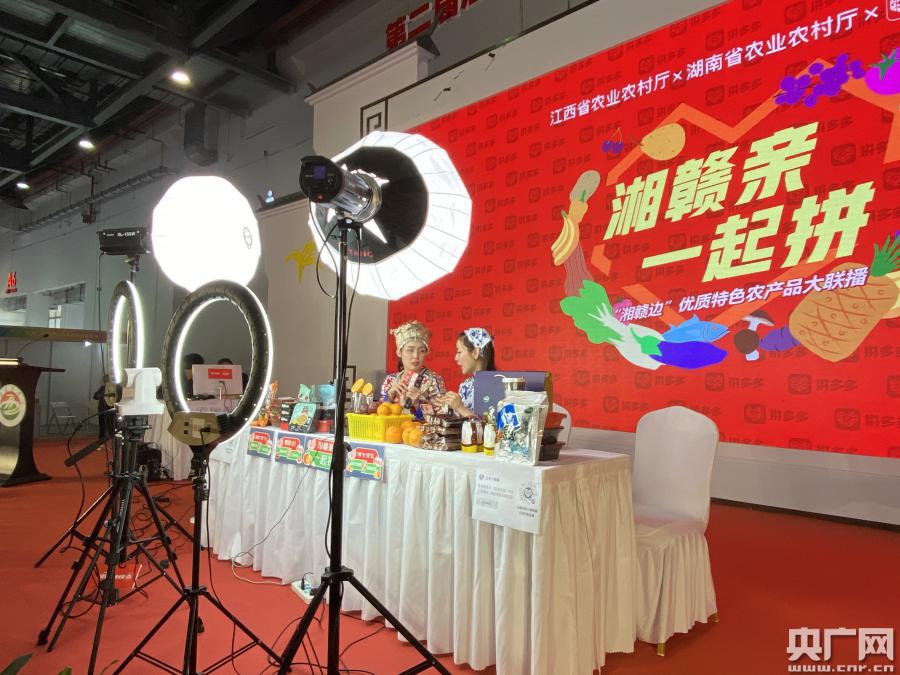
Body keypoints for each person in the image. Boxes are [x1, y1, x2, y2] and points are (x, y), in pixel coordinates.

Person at [381, 320, 446, 411]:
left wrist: (417, 404)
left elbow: (442, 413)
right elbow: (380, 411)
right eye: (410, 350)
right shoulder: (391, 380)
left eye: (421, 351)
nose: (416, 356)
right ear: (399, 352)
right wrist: (390, 395)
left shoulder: (434, 380)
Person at [437, 327, 496, 418]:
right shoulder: (465, 386)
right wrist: (448, 406)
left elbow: (492, 425)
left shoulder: (497, 385)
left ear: (475, 353)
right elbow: (461, 421)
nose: (456, 358)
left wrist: (460, 408)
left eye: (459, 352)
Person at [93, 374, 122, 439]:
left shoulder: (117, 387)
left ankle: (113, 437)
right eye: (104, 380)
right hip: (103, 408)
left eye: (107, 380)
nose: (105, 381)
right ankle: (102, 438)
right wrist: (101, 395)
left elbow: (119, 396)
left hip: (112, 408)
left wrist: (105, 395)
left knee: (112, 424)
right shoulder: (102, 388)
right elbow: (95, 396)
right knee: (102, 425)